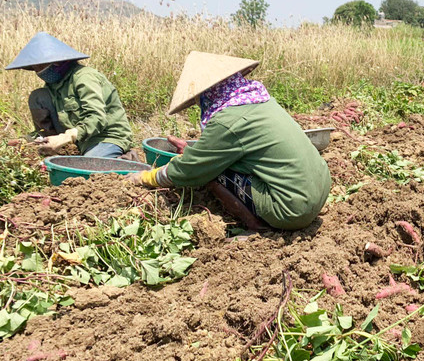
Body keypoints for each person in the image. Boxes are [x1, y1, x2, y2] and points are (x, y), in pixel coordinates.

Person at [128, 51, 331, 231]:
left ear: (209, 93)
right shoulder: (258, 100)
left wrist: (147, 177)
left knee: (210, 173)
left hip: (290, 210)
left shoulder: (227, 121)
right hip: (318, 192)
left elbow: (191, 171)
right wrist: (195, 151)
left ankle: (253, 225)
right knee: (214, 164)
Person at [4, 32, 132, 157]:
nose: (38, 72)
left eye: (40, 66)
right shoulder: (54, 84)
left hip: (104, 138)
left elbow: (97, 118)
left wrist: (67, 137)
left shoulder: (85, 78)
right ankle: (50, 143)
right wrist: (30, 141)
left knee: (86, 169)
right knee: (38, 96)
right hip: (77, 139)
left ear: (57, 63)